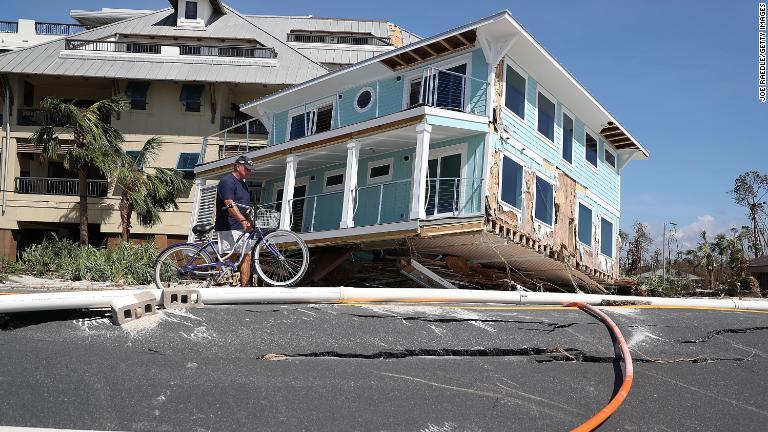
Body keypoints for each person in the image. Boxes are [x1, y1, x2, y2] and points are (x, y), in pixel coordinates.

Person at [215, 155, 256, 287]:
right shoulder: (227, 181)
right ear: (237, 166)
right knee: (229, 257)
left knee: (246, 256)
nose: (249, 171)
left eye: (250, 169)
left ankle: (244, 289)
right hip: (228, 226)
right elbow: (229, 203)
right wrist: (243, 220)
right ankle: (219, 284)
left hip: (240, 226)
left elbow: (245, 207)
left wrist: (248, 220)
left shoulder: (243, 185)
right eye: (247, 168)